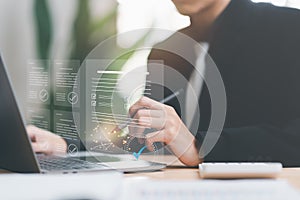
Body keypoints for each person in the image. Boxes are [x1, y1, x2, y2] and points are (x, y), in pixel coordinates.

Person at [28, 0, 300, 166]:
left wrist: (197, 147)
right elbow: (146, 140)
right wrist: (67, 146)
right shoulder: (166, 51)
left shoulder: (289, 30)